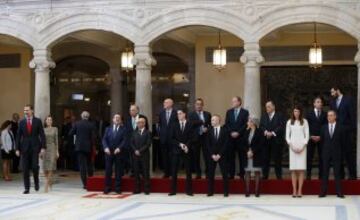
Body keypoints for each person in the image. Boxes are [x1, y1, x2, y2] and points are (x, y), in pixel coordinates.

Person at [15, 104, 46, 194]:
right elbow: (18, 136)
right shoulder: (21, 122)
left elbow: (42, 135)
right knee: (25, 169)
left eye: (27, 110)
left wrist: (43, 147)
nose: (25, 112)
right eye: (24, 110)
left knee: (34, 167)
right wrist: (17, 149)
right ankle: (27, 188)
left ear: (32, 111)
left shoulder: (38, 121)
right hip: (24, 148)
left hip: (35, 147)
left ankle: (36, 183)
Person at [329, 86, 356, 180]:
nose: (332, 94)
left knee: (349, 154)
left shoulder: (348, 100)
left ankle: (352, 176)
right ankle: (340, 176)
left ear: (338, 90)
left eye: (333, 92)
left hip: (347, 132)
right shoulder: (332, 102)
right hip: (336, 132)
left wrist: (352, 131)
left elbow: (352, 115)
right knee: (338, 154)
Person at [319, 110, 345, 198]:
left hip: (337, 153)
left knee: (337, 173)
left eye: (331, 115)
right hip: (326, 153)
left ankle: (339, 192)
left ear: (335, 116)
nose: (329, 117)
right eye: (328, 116)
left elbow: (343, 142)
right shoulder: (323, 127)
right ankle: (323, 192)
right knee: (325, 172)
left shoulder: (340, 127)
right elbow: (322, 141)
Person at [169, 109, 195, 196]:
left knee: (188, 171)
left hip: (187, 150)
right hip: (176, 150)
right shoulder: (174, 125)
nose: (178, 115)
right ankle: (173, 190)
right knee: (174, 171)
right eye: (177, 114)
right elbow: (171, 138)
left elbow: (192, 137)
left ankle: (189, 190)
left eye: (180, 114)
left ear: (184, 114)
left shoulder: (190, 124)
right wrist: (180, 144)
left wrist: (186, 146)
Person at [286, 106, 309, 198]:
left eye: (298, 111)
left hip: (302, 147)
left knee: (301, 169)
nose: (296, 113)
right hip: (292, 148)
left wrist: (303, 146)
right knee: (294, 169)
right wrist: (292, 146)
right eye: (295, 111)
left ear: (300, 112)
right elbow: (287, 136)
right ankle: (294, 190)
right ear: (293, 112)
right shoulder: (289, 122)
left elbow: (307, 135)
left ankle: (300, 190)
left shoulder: (305, 121)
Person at [69, 111, 97, 189]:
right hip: (88, 147)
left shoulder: (77, 124)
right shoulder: (91, 125)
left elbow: (70, 133)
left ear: (81, 116)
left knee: (82, 166)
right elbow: (94, 137)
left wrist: (77, 135)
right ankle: (90, 181)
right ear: (88, 117)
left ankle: (85, 184)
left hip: (79, 147)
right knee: (89, 165)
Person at [225, 96, 249, 179]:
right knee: (230, 157)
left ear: (239, 102)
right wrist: (231, 132)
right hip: (230, 138)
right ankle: (231, 174)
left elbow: (245, 124)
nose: (233, 103)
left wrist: (238, 132)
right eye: (232, 101)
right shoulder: (229, 112)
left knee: (242, 157)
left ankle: (242, 174)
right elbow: (227, 124)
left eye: (234, 101)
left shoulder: (245, 112)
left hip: (241, 138)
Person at [102, 113, 127, 194]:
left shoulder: (124, 129)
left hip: (118, 152)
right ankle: (107, 187)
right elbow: (104, 139)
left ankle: (117, 188)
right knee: (108, 170)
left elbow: (124, 140)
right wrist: (105, 147)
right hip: (109, 152)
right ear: (113, 119)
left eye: (118, 118)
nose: (117, 119)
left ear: (120, 120)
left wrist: (119, 148)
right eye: (115, 117)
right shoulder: (107, 129)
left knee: (118, 171)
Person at [260, 101, 285, 180]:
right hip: (266, 141)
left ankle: (279, 176)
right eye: (266, 106)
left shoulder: (279, 115)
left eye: (269, 106)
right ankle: (265, 176)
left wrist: (273, 133)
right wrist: (266, 132)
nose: (267, 108)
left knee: (277, 159)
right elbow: (261, 126)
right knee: (265, 159)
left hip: (276, 141)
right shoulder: (264, 116)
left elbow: (281, 126)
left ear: (273, 107)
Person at [188, 98, 211, 179]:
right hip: (195, 139)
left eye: (200, 104)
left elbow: (210, 125)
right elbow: (190, 125)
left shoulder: (207, 114)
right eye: (197, 104)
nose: (199, 106)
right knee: (196, 157)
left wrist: (207, 128)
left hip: (205, 138)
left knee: (207, 156)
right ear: (195, 105)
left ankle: (208, 173)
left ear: (202, 105)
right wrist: (201, 122)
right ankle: (198, 173)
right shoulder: (191, 114)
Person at [206, 115, 229, 197]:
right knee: (211, 174)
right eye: (211, 120)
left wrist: (219, 154)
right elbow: (207, 144)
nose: (211, 121)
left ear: (218, 121)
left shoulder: (225, 130)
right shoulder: (209, 130)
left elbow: (226, 144)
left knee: (224, 174)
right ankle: (210, 191)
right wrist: (212, 154)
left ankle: (226, 192)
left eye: (213, 120)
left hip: (222, 155)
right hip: (212, 156)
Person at [306, 97, 327, 180]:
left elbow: (326, 127)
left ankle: (321, 176)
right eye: (317, 102)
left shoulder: (325, 114)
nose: (319, 103)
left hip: (321, 139)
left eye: (320, 102)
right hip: (311, 138)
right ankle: (308, 175)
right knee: (309, 157)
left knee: (322, 157)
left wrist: (321, 136)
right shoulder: (309, 114)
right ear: (314, 104)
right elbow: (306, 126)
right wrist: (310, 135)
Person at [125, 104, 148, 176]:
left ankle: (141, 172)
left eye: (133, 110)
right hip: (131, 144)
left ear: (137, 110)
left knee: (141, 159)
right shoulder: (128, 119)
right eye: (130, 110)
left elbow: (146, 130)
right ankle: (133, 172)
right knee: (132, 159)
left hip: (141, 144)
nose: (131, 112)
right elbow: (127, 132)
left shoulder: (143, 118)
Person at [243, 117, 264, 197]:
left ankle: (257, 191)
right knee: (247, 172)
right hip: (248, 155)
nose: (247, 123)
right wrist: (247, 151)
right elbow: (243, 143)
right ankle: (247, 191)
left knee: (257, 173)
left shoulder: (260, 132)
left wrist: (253, 151)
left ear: (253, 123)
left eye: (249, 121)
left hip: (257, 154)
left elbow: (261, 144)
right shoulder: (246, 131)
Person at [131, 117, 152, 195]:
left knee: (145, 172)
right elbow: (131, 143)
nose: (139, 124)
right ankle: (137, 189)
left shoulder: (148, 132)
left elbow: (148, 144)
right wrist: (135, 150)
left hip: (144, 155)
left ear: (144, 123)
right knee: (136, 172)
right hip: (135, 155)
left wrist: (140, 151)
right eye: (138, 122)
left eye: (140, 122)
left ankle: (146, 189)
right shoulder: (134, 132)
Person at [159, 98, 177, 178]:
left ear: (171, 103)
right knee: (165, 157)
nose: (164, 104)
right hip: (163, 139)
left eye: (166, 102)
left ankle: (173, 173)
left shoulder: (176, 113)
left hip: (173, 139)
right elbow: (160, 125)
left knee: (173, 157)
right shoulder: (161, 113)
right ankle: (166, 173)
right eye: (164, 102)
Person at [42, 116, 59, 192]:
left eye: (50, 120)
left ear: (52, 121)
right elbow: (41, 141)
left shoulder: (55, 129)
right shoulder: (43, 130)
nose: (49, 121)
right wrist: (40, 151)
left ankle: (46, 186)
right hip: (45, 148)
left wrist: (57, 151)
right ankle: (50, 183)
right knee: (45, 168)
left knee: (51, 167)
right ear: (45, 121)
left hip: (52, 148)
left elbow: (56, 141)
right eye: (48, 120)